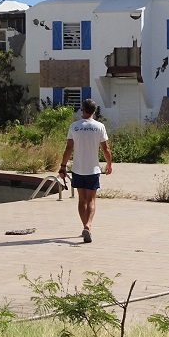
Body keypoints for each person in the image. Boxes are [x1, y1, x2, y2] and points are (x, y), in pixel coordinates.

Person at [58, 98, 112, 243]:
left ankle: (85, 227)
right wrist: (109, 164)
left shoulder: (74, 126)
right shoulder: (99, 126)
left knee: (82, 200)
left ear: (82, 110)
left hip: (78, 169)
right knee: (91, 200)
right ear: (94, 111)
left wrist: (63, 166)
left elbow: (69, 148)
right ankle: (88, 225)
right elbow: (105, 149)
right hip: (93, 169)